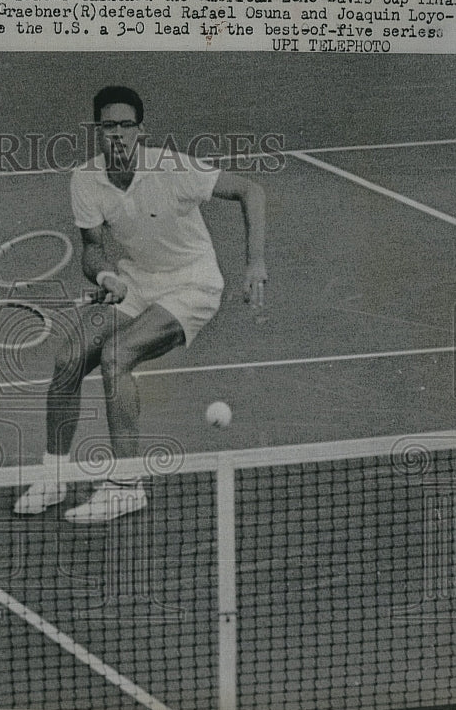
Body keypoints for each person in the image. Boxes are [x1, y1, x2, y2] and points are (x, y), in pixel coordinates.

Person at [14, 86, 268, 523]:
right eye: (108, 126)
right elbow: (91, 248)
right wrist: (106, 276)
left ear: (140, 130)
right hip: (137, 284)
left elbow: (250, 190)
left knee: (117, 356)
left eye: (125, 126)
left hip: (193, 284)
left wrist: (255, 263)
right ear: (97, 130)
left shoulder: (172, 168)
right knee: (68, 358)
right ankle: (54, 476)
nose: (117, 134)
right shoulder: (86, 180)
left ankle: (126, 485)